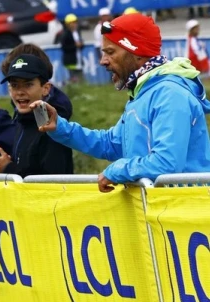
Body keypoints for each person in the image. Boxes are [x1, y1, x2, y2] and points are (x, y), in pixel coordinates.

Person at [35, 12, 210, 192]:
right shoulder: (142, 92)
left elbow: (167, 163)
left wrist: (118, 170)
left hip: (184, 206)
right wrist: (59, 127)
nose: (102, 61)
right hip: (160, 205)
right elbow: (111, 144)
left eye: (110, 52)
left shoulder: (170, 94)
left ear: (138, 54)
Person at [0, 53, 73, 177]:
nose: (20, 92)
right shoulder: (22, 122)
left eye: (28, 84)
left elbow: (52, 184)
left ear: (46, 88)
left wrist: (7, 168)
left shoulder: (51, 128)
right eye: (14, 85)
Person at [60, 14, 84, 83]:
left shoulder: (77, 32)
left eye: (75, 22)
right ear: (68, 24)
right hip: (71, 61)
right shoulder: (65, 34)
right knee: (74, 81)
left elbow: (81, 44)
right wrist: (75, 46)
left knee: (81, 80)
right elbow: (64, 47)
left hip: (78, 60)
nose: (75, 24)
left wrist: (81, 44)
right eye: (72, 23)